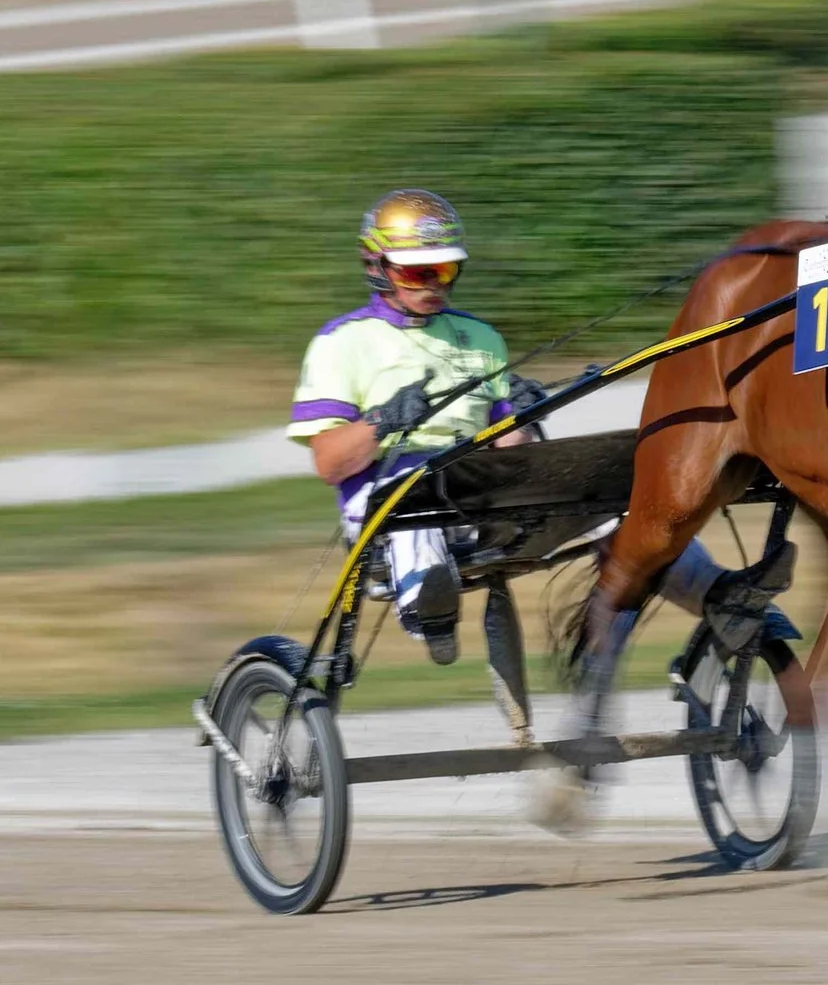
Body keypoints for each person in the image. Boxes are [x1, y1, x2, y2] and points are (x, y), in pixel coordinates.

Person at [287, 189, 777, 674]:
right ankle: (428, 608)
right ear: (376, 266)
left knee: (618, 500)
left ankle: (719, 594)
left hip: (478, 494)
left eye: (446, 270)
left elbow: (510, 448)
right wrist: (382, 421)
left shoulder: (481, 338)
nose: (434, 284)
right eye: (418, 273)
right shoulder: (341, 343)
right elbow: (329, 463)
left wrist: (525, 417)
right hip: (390, 507)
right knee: (418, 491)